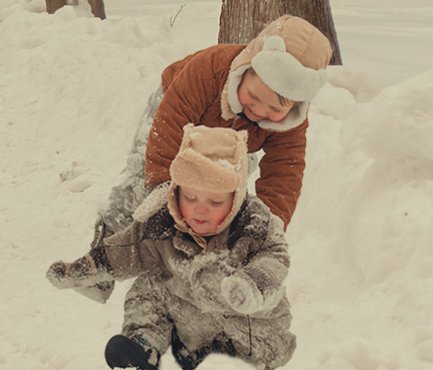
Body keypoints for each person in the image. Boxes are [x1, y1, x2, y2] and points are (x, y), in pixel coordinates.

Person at [48, 126, 296, 370]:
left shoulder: (254, 224)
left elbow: (274, 258)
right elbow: (128, 248)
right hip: (192, 316)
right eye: (190, 198)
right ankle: (143, 344)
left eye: (215, 202)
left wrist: (253, 284)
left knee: (265, 349)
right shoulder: (163, 222)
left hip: (248, 324)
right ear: (176, 191)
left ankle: (247, 366)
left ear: (237, 198)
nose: (200, 210)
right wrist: (84, 268)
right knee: (149, 286)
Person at [93, 15, 333, 241]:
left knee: (220, 188)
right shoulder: (209, 68)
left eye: (275, 109)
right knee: (144, 176)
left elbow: (284, 174)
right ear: (245, 69)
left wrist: (267, 226)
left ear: (294, 106)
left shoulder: (291, 124)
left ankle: (193, 249)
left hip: (234, 137)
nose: (259, 111)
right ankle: (111, 237)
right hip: (176, 114)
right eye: (253, 95)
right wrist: (162, 188)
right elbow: (169, 124)